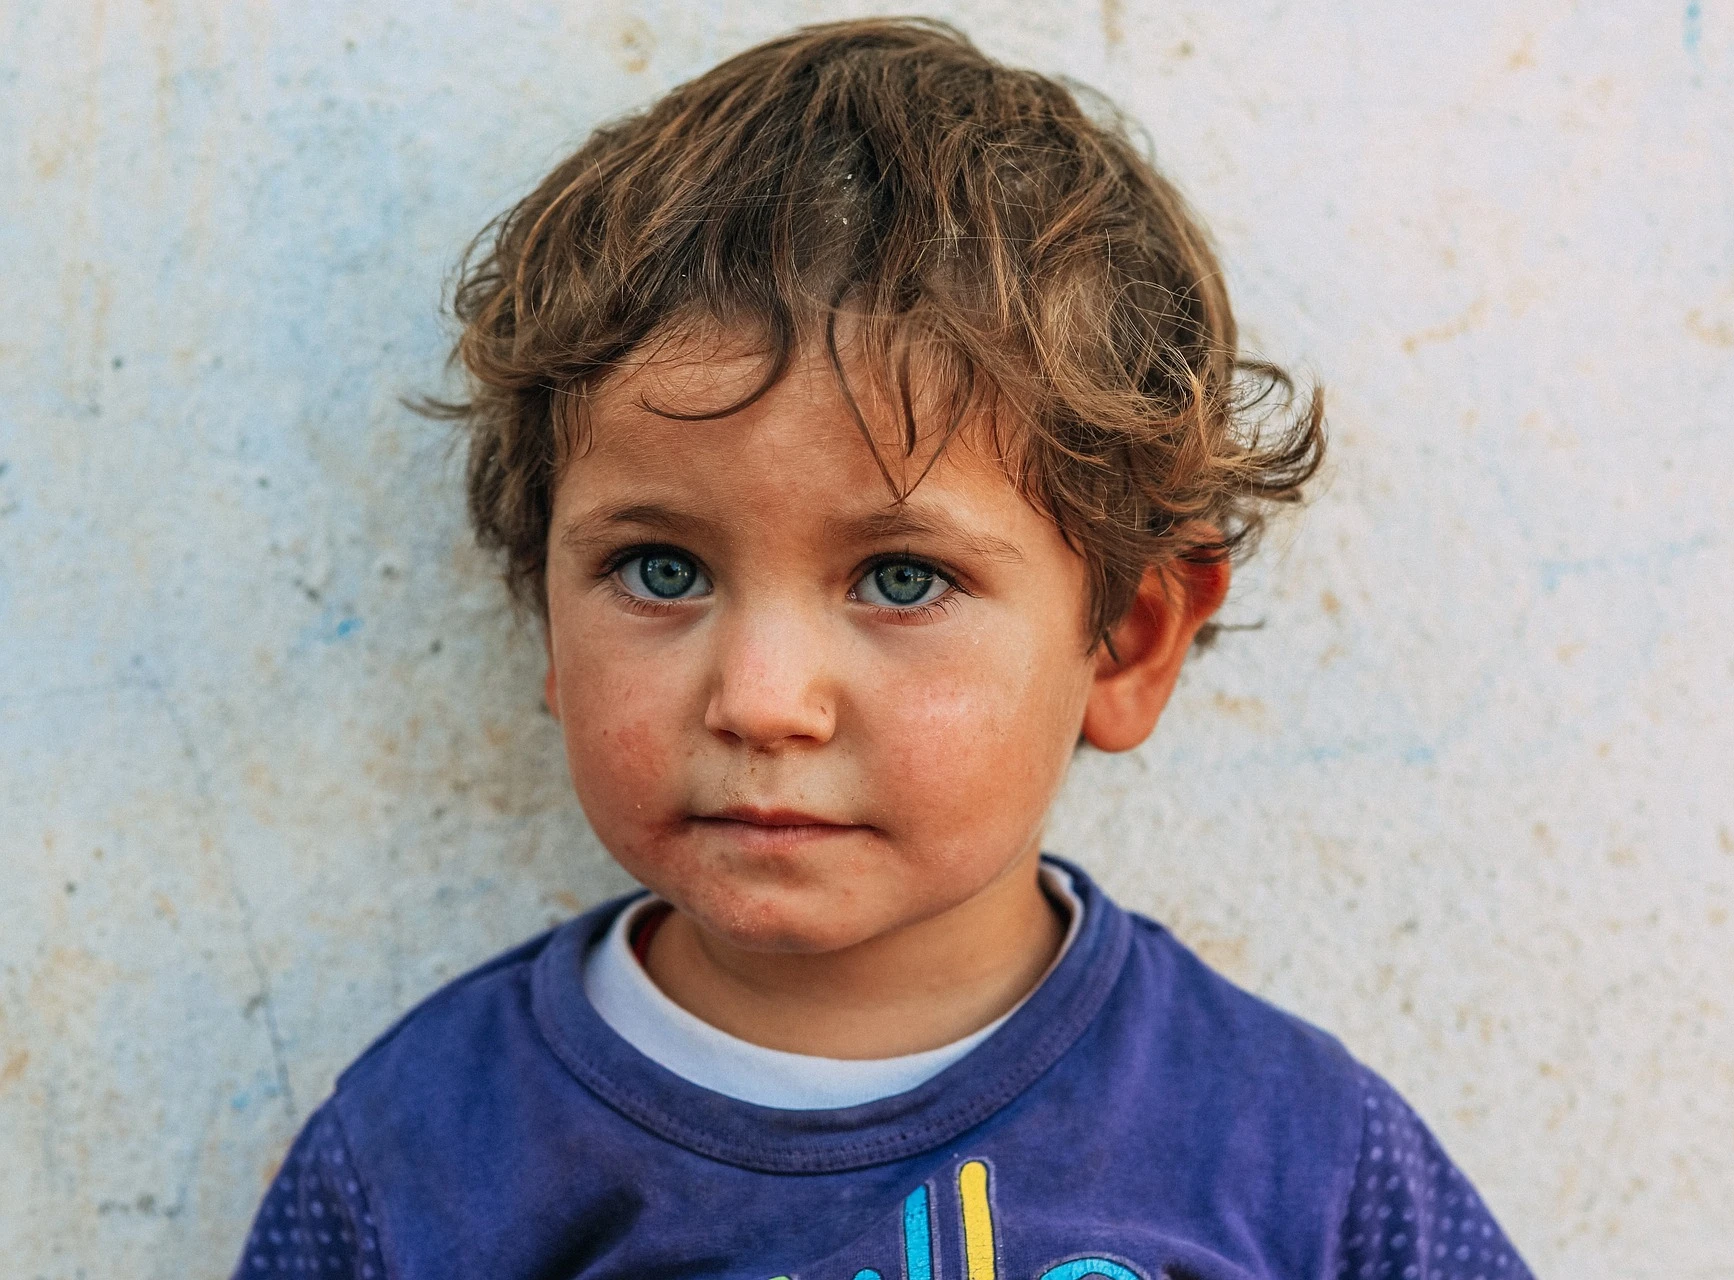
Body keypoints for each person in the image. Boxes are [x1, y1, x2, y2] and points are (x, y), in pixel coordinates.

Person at [232, 18, 1533, 1280]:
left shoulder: (1291, 1154)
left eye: (901, 579)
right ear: (548, 628)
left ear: (1127, 644)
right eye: (661, 571)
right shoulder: (422, 1162)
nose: (763, 702)